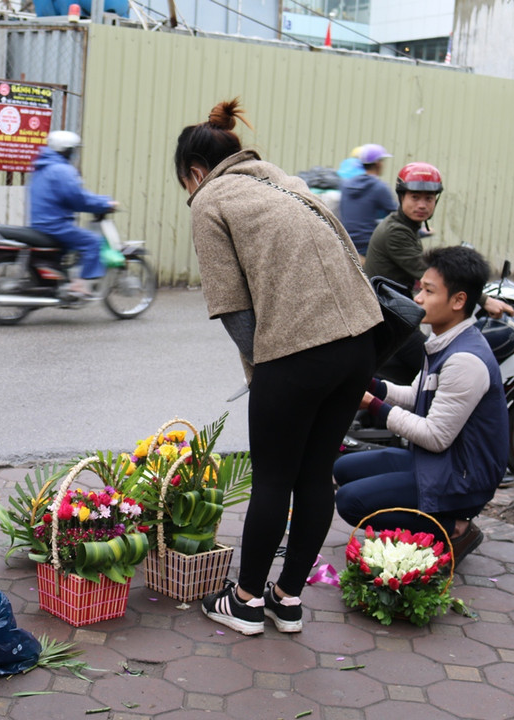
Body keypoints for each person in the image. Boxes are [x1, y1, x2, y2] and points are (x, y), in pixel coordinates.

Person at [174, 99, 383, 636]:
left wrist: (261, 369)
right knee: (315, 475)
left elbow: (233, 309)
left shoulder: (211, 200)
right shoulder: (284, 182)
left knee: (272, 478)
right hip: (361, 342)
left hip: (297, 352)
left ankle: (243, 602)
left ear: (194, 172)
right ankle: (286, 599)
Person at [333, 245, 510, 568]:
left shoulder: (465, 359)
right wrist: (370, 383)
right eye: (420, 288)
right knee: (343, 469)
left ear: (458, 301)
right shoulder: (444, 339)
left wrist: (373, 405)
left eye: (429, 291)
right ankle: (434, 518)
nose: (418, 298)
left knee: (350, 502)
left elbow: (435, 436)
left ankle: (453, 528)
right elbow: (415, 395)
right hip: (440, 462)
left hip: (460, 476)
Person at [364, 162, 513, 383]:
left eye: (429, 198)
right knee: (437, 371)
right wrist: (484, 300)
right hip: (391, 319)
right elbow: (432, 274)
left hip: (396, 312)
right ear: (402, 197)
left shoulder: (406, 227)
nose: (422, 205)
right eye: (415, 197)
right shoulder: (396, 232)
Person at [28, 130, 115, 297]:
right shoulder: (62, 170)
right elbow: (78, 199)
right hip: (55, 226)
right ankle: (80, 286)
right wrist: (104, 203)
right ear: (67, 150)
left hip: (40, 224)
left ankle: (62, 283)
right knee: (93, 242)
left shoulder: (41, 167)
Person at [338, 143, 396, 257]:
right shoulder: (379, 187)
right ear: (378, 163)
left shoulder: (345, 185)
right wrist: (420, 232)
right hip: (368, 245)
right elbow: (396, 214)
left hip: (346, 242)